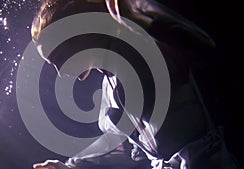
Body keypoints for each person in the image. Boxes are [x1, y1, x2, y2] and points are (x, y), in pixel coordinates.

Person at [31, 0, 241, 168]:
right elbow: (123, 144)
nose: (60, 71)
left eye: (58, 56)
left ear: (77, 34)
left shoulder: (139, 44)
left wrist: (135, 15)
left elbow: (204, 49)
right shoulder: (109, 88)